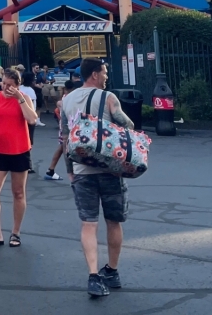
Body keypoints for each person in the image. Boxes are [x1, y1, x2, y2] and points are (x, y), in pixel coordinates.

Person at [60, 58, 135, 298]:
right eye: (104, 72)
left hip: (82, 171)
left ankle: (93, 275)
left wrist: (70, 169)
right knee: (114, 221)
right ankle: (112, 271)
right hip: (110, 170)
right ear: (94, 74)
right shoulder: (109, 98)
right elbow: (129, 126)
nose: (106, 76)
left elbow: (64, 139)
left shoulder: (67, 100)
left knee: (88, 224)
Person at [0, 68, 39, 248]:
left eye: (9, 85)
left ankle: (16, 232)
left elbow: (32, 120)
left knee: (18, 192)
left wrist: (19, 99)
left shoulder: (24, 98)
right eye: (3, 84)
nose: (5, 87)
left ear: (17, 86)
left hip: (19, 151)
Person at [44, 79, 77, 181]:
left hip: (64, 126)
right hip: (69, 126)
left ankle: (51, 170)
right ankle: (73, 173)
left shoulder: (63, 98)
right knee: (68, 149)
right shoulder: (71, 99)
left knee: (62, 148)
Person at [19, 71, 39, 173]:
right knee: (29, 142)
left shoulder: (20, 89)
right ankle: (28, 164)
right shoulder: (30, 91)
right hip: (28, 118)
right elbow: (33, 106)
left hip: (19, 117)